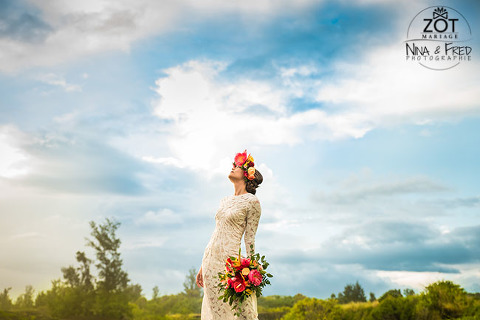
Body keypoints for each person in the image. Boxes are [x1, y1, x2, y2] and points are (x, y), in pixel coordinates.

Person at [196, 150, 263, 320]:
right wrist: (203, 266)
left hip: (231, 265)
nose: (233, 168)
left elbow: (249, 238)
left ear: (247, 175)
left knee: (242, 312)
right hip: (210, 261)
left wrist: (252, 266)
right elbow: (216, 232)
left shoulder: (252, 202)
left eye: (237, 166)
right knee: (216, 313)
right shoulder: (224, 200)